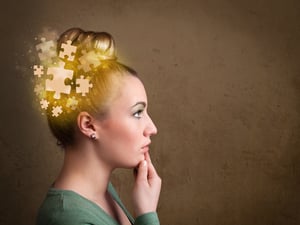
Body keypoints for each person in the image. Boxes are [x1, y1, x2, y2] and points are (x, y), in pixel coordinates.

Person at [35, 28, 161, 225]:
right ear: (89, 125)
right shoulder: (68, 219)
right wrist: (147, 216)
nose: (152, 128)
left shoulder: (102, 193)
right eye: (137, 113)